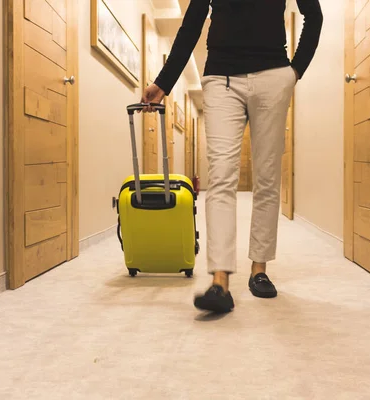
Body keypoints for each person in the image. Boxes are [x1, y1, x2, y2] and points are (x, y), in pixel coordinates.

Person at [141, 0, 323, 313]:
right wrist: (164, 82)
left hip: (274, 76)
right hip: (221, 78)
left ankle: (259, 270)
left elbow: (314, 15)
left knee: (267, 177)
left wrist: (295, 72)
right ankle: (220, 280)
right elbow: (192, 24)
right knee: (221, 175)